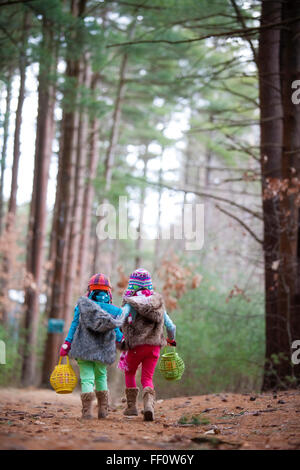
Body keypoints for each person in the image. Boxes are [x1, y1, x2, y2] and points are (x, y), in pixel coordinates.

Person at [60, 273, 124, 419]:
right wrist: (122, 340)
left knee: (87, 378)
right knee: (101, 376)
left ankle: (87, 411)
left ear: (90, 291)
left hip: (83, 348)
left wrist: (67, 343)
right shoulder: (114, 311)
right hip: (103, 350)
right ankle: (103, 410)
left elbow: (74, 326)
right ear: (108, 292)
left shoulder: (81, 307)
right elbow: (115, 329)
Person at [119, 268, 176, 421]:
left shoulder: (130, 303)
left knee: (130, 372)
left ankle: (131, 407)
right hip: (154, 347)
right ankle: (149, 405)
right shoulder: (158, 303)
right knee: (147, 378)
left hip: (136, 346)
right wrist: (171, 341)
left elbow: (121, 317)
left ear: (133, 284)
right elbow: (171, 327)